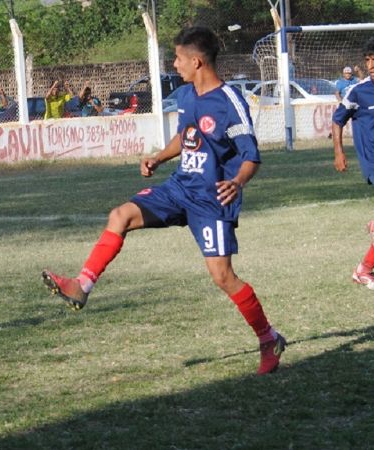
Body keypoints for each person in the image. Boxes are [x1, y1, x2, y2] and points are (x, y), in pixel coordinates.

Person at [41, 26, 286, 376]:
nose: (175, 64)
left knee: (223, 276)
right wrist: (159, 157)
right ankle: (82, 286)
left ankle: (268, 338)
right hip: (180, 187)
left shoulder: (230, 102)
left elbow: (252, 154)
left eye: (179, 58)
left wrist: (237, 181)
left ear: (197, 61)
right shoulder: (188, 96)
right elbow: (186, 138)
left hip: (212, 199)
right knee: (120, 215)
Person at [332, 36, 374, 290]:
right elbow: (338, 119)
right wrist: (339, 152)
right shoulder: (358, 91)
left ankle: (364, 270)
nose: (370, 66)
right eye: (367, 61)